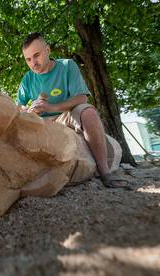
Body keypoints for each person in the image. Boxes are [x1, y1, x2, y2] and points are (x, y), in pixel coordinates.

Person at [17, 32, 124, 188]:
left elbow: (81, 98)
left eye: (36, 55)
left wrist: (51, 107)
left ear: (47, 49)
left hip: (65, 117)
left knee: (89, 112)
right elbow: (19, 106)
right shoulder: (27, 78)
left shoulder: (67, 66)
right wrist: (29, 110)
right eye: (28, 59)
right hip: (41, 123)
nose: (33, 63)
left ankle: (105, 173)